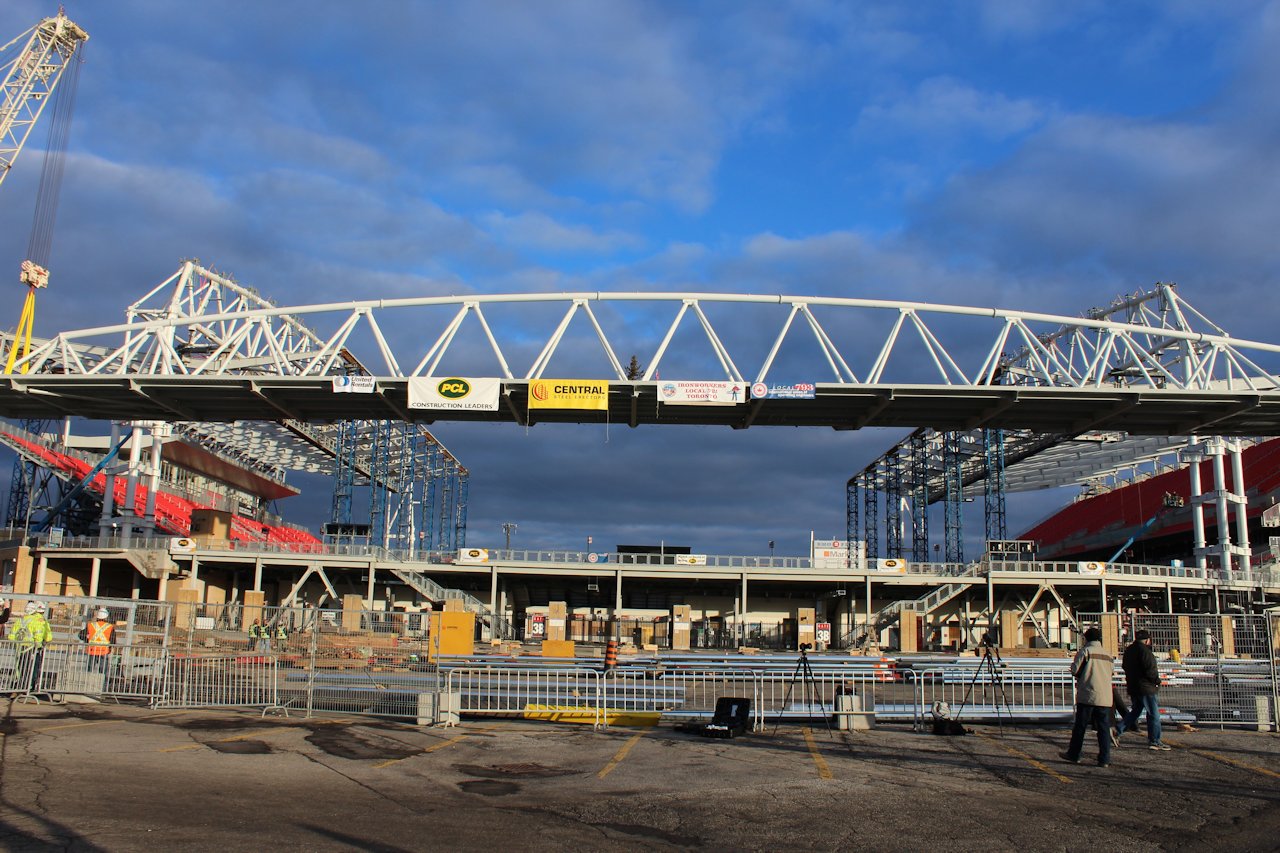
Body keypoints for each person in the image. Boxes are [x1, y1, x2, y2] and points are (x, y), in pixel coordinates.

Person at [1061, 626, 1115, 767]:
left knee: (1080, 727)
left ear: (1086, 638)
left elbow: (1075, 670)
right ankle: (1104, 759)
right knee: (1103, 729)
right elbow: (1111, 672)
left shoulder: (1086, 651)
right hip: (1104, 697)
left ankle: (1074, 754)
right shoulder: (1107, 654)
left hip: (1088, 694)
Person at [1116, 629, 1170, 750]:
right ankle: (1155, 740)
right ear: (1147, 640)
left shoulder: (1129, 650)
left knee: (1135, 711)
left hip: (1133, 686)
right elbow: (1150, 669)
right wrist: (1156, 681)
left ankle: (1117, 730)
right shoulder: (1145, 651)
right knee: (1153, 714)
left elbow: (1125, 666)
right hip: (1146, 687)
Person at [8, 601, 53, 693]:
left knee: (20, 668)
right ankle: (28, 687)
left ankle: (19, 686)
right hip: (32, 648)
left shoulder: (20, 620)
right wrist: (40, 644)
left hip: (20, 648)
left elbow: (11, 635)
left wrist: (16, 643)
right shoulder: (38, 621)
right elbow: (42, 635)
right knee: (31, 668)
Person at [81, 607, 115, 675]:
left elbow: (81, 635)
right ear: (106, 617)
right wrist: (110, 648)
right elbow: (113, 640)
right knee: (102, 672)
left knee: (89, 671)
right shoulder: (110, 627)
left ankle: (87, 683)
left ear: (97, 617)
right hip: (103, 651)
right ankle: (102, 684)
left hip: (92, 650)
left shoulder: (91, 625)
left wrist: (88, 640)